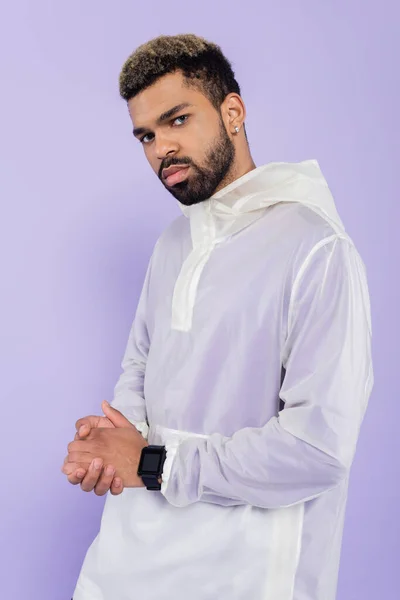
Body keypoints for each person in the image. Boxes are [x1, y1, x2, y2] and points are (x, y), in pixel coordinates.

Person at [62, 33, 374, 600]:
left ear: (233, 112)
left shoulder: (316, 249)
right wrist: (114, 441)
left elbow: (317, 451)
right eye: (147, 136)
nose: (161, 148)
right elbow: (141, 364)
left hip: (248, 575)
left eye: (177, 120)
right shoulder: (175, 242)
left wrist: (153, 463)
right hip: (130, 560)